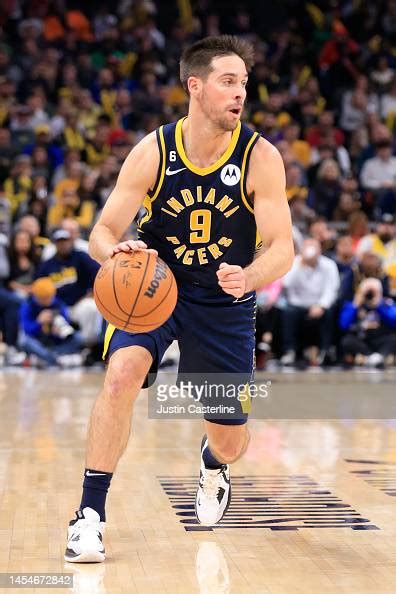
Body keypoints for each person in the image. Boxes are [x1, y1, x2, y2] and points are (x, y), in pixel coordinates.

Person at [64, 35, 294, 563]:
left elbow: (283, 247)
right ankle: (90, 514)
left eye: (243, 83)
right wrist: (116, 251)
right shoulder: (154, 151)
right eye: (227, 82)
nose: (240, 94)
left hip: (224, 303)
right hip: (155, 288)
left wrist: (250, 276)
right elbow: (101, 231)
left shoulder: (260, 157)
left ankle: (213, 464)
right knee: (121, 376)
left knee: (231, 440)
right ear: (196, 86)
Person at [281, 238, 340, 366]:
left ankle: (325, 351)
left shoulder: (329, 265)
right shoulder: (294, 262)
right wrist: (300, 264)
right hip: (297, 304)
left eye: (314, 247)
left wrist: (321, 306)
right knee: (288, 312)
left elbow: (332, 289)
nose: (311, 250)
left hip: (319, 304)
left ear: (320, 250)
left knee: (330, 312)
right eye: (308, 246)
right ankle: (289, 351)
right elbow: (286, 283)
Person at [18, 277, 84, 367]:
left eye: (49, 298)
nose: (47, 301)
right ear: (36, 296)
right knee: (24, 341)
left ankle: (46, 358)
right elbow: (26, 330)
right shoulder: (28, 306)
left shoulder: (59, 304)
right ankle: (55, 359)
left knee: (79, 338)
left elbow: (67, 327)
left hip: (55, 344)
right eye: (43, 299)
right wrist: (38, 322)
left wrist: (58, 331)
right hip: (39, 342)